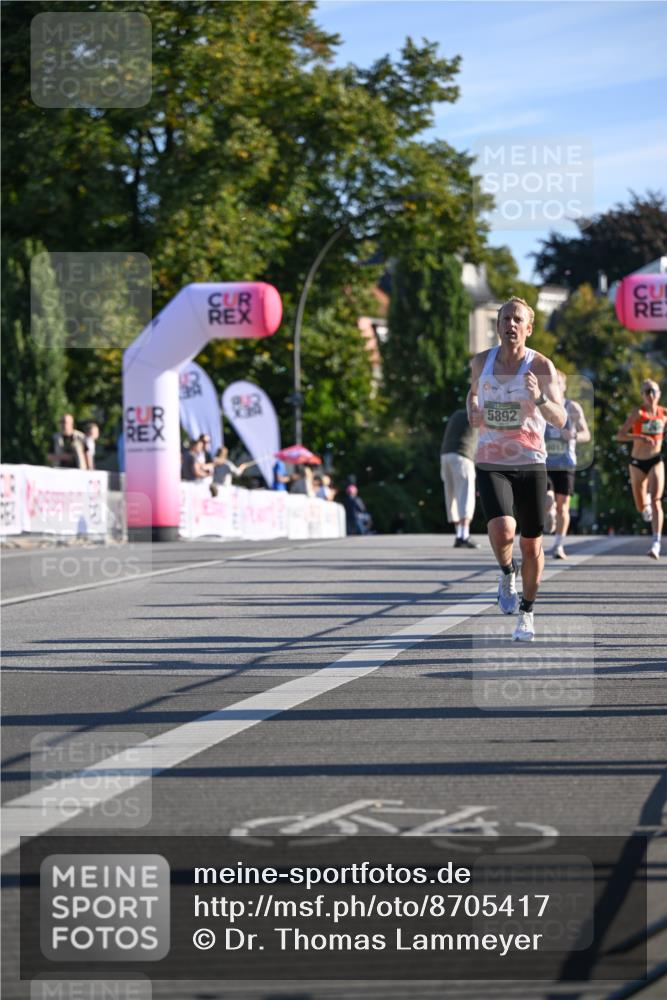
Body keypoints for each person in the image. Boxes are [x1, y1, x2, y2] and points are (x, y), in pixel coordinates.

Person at [467, 297, 566, 641]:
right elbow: (472, 395)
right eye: (505, 318)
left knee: (531, 543)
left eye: (517, 319)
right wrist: (474, 410)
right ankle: (507, 572)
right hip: (491, 459)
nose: (510, 324)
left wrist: (540, 399)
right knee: (503, 531)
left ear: (528, 327)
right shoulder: (482, 362)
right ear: (497, 326)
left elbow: (561, 417)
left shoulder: (541, 366)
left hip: (531, 461)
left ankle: (527, 612)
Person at [616, 379, 665, 560]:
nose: (650, 395)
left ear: (659, 394)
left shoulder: (664, 413)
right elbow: (620, 435)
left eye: (653, 391)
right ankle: (644, 505)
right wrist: (640, 437)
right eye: (647, 392)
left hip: (655, 460)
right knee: (641, 507)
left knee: (656, 500)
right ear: (642, 395)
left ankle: (656, 543)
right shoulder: (639, 413)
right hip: (637, 463)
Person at [544, 371, 591, 559]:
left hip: (565, 462)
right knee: (548, 500)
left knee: (564, 506)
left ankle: (558, 545)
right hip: (544, 461)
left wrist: (572, 435)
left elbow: (586, 434)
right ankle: (549, 510)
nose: (554, 386)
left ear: (563, 387)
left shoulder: (572, 408)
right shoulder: (542, 407)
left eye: (558, 383)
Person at [440, 408, 480, 549]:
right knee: (465, 495)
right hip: (463, 456)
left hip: (445, 455)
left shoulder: (456, 414)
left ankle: (459, 534)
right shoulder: (480, 414)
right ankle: (464, 535)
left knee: (452, 496)